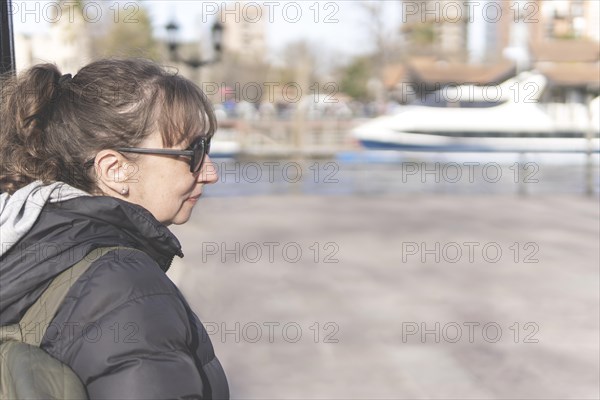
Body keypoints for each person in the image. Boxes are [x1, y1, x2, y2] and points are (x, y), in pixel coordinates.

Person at [0, 58, 229, 399]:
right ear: (115, 169)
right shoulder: (124, 284)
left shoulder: (26, 238)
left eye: (207, 147)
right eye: (193, 152)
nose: (210, 172)